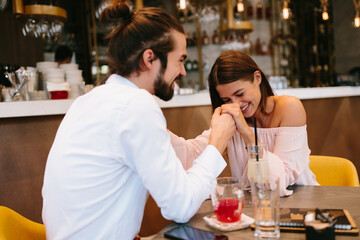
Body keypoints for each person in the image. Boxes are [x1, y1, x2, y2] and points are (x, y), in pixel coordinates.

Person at [41, 1, 236, 240]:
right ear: (150, 58)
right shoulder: (135, 105)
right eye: (180, 59)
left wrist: (217, 133)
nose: (183, 71)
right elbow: (181, 206)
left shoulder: (91, 101)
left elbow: (182, 152)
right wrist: (217, 146)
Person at [170, 50, 318, 197]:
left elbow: (275, 185)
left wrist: (246, 133)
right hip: (255, 210)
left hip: (302, 208)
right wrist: (154, 129)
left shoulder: (289, 108)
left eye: (240, 94)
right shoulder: (231, 118)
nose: (236, 105)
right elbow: (190, 154)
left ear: (257, 78)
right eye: (227, 100)